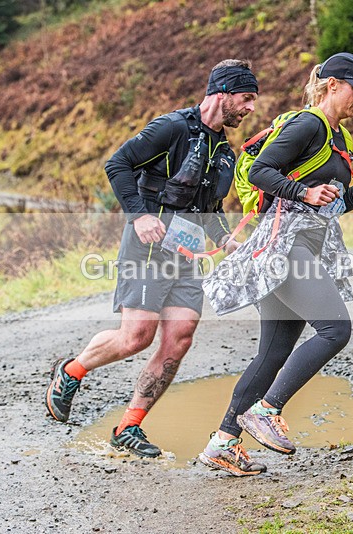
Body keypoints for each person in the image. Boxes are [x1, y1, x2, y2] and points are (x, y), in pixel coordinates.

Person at [197, 52, 353, 476]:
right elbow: (261, 173)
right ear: (332, 86)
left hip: (306, 242)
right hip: (286, 245)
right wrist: (303, 194)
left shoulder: (337, 138)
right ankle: (267, 410)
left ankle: (222, 443)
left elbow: (336, 206)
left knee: (272, 354)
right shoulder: (308, 124)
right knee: (335, 329)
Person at [44, 59, 259, 457]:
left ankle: (129, 425)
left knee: (179, 339)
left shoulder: (224, 152)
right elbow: (118, 164)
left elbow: (209, 208)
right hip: (146, 247)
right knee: (136, 337)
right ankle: (71, 370)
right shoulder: (172, 127)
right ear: (223, 92)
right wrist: (139, 215)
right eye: (246, 99)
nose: (250, 108)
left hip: (186, 255)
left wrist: (226, 239)